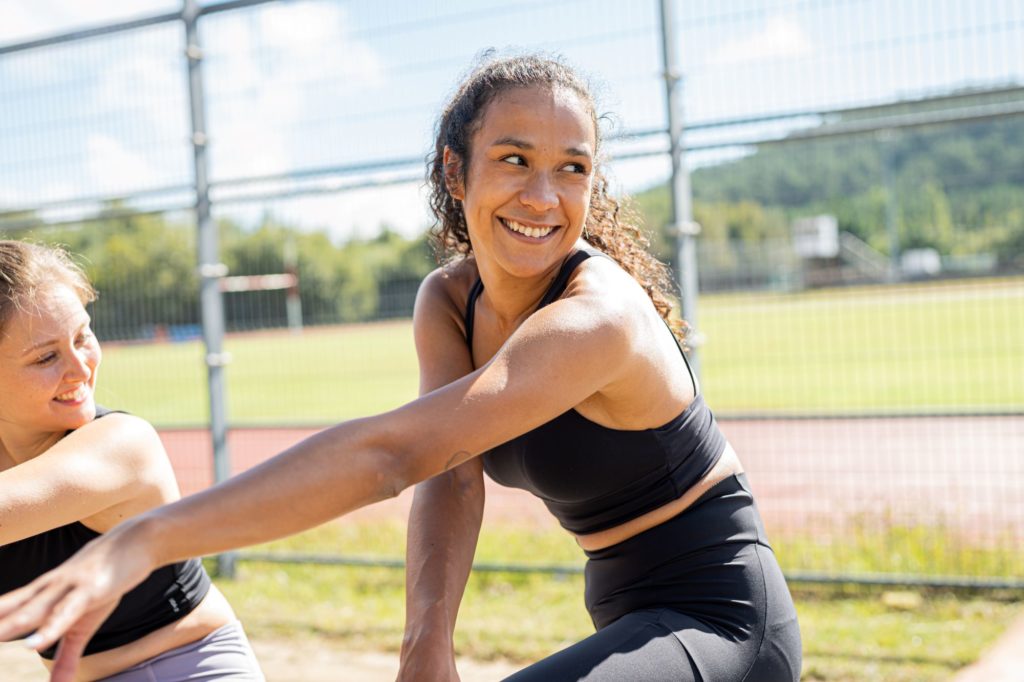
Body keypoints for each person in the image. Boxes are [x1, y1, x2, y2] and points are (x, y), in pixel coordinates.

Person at [0, 54, 801, 682]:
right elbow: (451, 476)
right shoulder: (449, 301)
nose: (544, 195)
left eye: (573, 168)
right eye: (515, 159)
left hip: (721, 616)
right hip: (628, 609)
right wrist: (427, 643)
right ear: (458, 172)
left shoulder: (597, 317)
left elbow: (393, 455)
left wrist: (148, 536)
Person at [0, 240, 265, 681]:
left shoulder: (123, 445)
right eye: (46, 356)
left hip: (190, 669)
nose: (81, 368)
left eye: (83, 336)